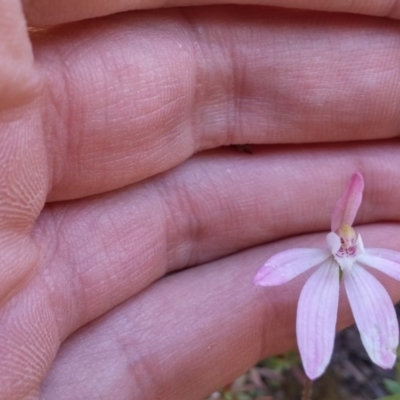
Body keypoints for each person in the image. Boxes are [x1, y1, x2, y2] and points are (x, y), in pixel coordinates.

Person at [2, 1, 400, 398]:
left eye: (349, 236)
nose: (347, 238)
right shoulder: (317, 258)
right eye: (344, 235)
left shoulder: (363, 257)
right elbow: (272, 272)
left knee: (370, 349)